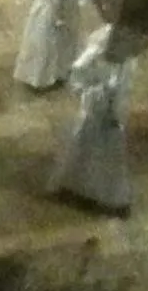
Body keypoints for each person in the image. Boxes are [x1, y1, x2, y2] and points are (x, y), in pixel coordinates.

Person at [50, 25, 133, 214]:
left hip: (112, 117)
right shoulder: (96, 53)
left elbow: (123, 88)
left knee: (110, 156)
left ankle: (110, 195)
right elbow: (77, 78)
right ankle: (78, 184)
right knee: (84, 148)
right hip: (95, 112)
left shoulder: (126, 57)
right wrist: (96, 94)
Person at [14, 0, 97, 91]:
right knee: (44, 42)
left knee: (66, 41)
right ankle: (39, 78)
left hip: (69, 10)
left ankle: (61, 71)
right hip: (48, 10)